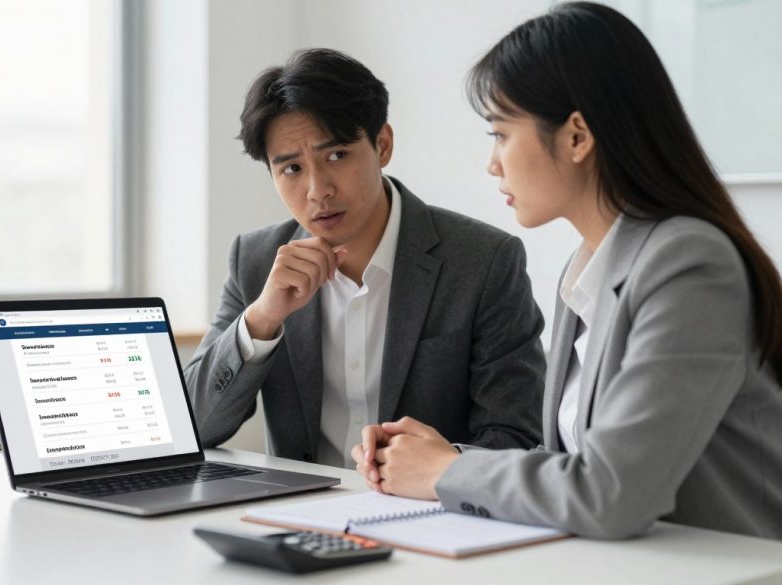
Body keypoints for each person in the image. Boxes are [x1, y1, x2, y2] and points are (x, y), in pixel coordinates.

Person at [354, 2, 782, 539]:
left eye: (501, 134)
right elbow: (568, 461)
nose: (493, 163)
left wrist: (446, 472)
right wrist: (441, 457)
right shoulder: (584, 269)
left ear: (577, 136)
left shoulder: (690, 264)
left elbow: (610, 492)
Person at [183, 48, 546, 468]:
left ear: (383, 145)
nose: (318, 190)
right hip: (296, 515)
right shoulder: (256, 260)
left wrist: (440, 467)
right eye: (292, 169)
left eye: (336, 156)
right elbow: (193, 426)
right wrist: (262, 320)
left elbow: (517, 434)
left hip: (426, 516)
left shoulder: (484, 261)